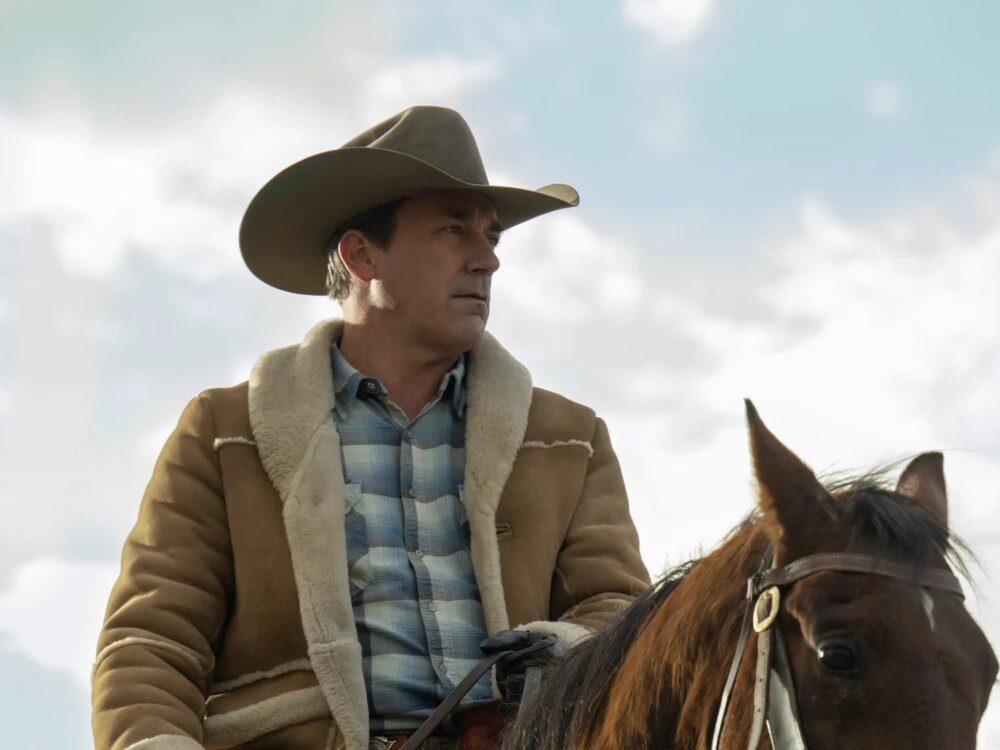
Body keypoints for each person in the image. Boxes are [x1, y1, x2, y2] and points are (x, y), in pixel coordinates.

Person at [92, 105, 650, 750]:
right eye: (454, 230)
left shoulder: (569, 438)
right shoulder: (224, 433)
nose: (487, 261)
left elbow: (621, 611)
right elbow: (151, 642)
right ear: (361, 255)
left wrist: (564, 648)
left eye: (492, 238)